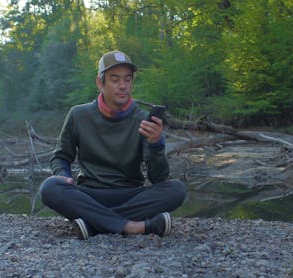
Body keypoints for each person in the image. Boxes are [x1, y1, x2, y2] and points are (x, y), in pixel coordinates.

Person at [39, 50, 186, 240]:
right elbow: (60, 157)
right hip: (91, 194)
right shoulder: (78, 115)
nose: (123, 86)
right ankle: (133, 226)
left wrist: (156, 144)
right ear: (100, 83)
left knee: (177, 189)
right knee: (50, 188)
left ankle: (94, 224)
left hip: (130, 194)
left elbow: (158, 178)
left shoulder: (143, 119)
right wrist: (63, 176)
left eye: (127, 79)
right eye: (115, 80)